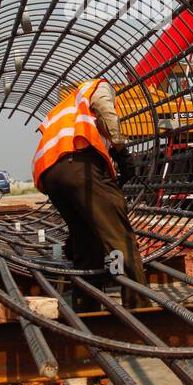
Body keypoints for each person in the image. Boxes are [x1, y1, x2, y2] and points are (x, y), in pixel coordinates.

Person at [32, 78, 145, 309]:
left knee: (86, 242)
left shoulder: (64, 107)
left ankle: (86, 308)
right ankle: (140, 308)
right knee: (120, 239)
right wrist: (121, 151)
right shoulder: (96, 87)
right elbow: (106, 112)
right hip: (79, 166)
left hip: (51, 175)